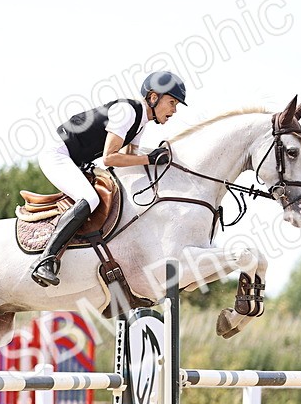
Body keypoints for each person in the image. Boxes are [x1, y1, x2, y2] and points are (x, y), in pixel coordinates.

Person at [30, 71, 188, 287]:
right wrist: (150, 159)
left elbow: (130, 157)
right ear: (153, 97)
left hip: (75, 160)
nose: (174, 110)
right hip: (57, 154)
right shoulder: (127, 112)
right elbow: (110, 157)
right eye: (172, 103)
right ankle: (44, 260)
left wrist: (157, 158)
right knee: (90, 198)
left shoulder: (140, 123)